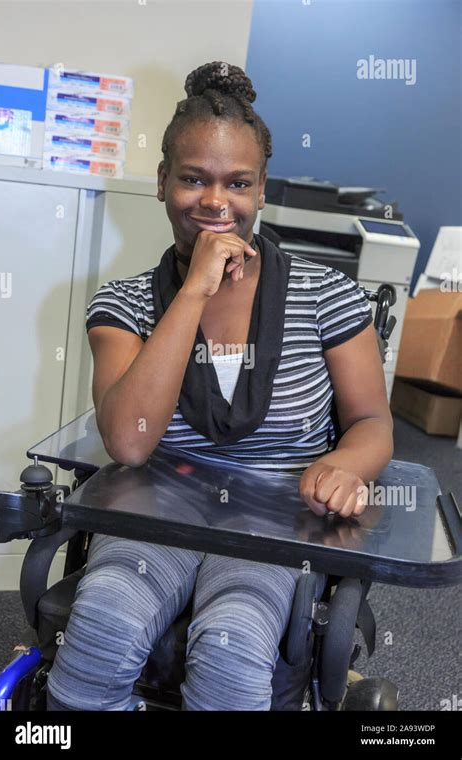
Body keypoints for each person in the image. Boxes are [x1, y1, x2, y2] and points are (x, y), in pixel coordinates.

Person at [46, 61, 393, 711]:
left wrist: (347, 463)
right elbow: (128, 441)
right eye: (193, 179)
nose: (215, 202)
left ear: (261, 190)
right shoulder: (123, 305)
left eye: (237, 183)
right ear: (161, 184)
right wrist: (195, 292)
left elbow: (373, 421)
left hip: (274, 517)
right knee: (103, 626)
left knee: (232, 644)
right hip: (156, 513)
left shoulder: (329, 298)